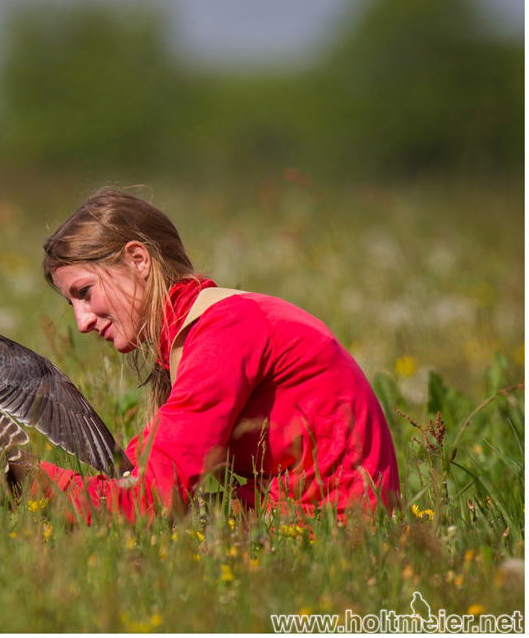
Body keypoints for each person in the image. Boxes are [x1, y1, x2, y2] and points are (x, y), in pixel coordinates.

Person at [26, 187, 400, 524]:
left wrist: (23, 480)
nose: (81, 322)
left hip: (334, 536)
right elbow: (136, 477)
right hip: (308, 526)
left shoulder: (226, 330)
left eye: (85, 292)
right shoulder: (208, 329)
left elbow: (151, 500)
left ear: (138, 259)